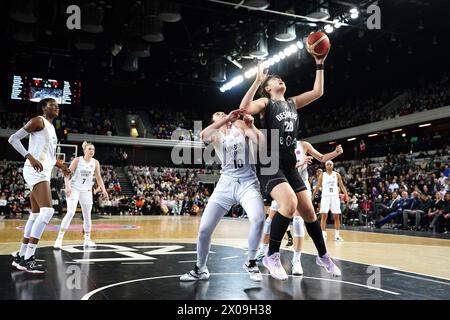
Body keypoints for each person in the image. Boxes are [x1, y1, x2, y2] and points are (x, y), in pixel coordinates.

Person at [239, 50, 342, 280]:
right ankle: (271, 256)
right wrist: (256, 81)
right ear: (268, 88)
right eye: (275, 80)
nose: (280, 80)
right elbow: (244, 109)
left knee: (309, 212)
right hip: (269, 161)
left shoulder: (292, 103)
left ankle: (323, 255)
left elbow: (318, 92)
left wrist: (319, 63)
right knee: (289, 203)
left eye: (280, 79)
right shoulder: (266, 102)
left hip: (288, 163)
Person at [180, 109, 266, 282]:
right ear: (216, 121)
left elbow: (262, 143)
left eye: (223, 113)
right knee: (204, 229)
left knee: (258, 219)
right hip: (226, 184)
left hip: (248, 182)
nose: (221, 115)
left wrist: (253, 126)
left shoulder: (240, 125)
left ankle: (251, 262)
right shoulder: (216, 135)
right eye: (217, 115)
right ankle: (200, 269)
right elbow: (203, 136)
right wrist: (225, 118)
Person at [256, 142, 343, 275]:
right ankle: (263, 252)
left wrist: (335, 153)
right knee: (269, 220)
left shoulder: (303, 145)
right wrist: (301, 162)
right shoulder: (277, 144)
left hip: (301, 184)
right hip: (282, 183)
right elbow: (280, 166)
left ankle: (297, 260)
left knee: (298, 221)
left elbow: (322, 158)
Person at [8, 98, 70, 274]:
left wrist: (60, 166)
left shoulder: (51, 128)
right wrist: (30, 156)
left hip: (43, 171)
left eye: (58, 106)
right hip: (35, 170)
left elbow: (48, 156)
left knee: (35, 214)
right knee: (48, 211)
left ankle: (21, 256)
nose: (57, 107)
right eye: (52, 105)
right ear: (43, 108)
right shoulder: (38, 120)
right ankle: (29, 259)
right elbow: (13, 139)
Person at [54, 141, 109, 249]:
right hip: (74, 188)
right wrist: (67, 186)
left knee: (87, 216)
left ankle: (87, 240)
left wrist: (104, 190)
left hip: (87, 191)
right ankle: (59, 239)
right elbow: (67, 173)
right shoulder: (78, 160)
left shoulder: (95, 162)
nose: (92, 151)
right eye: (89, 149)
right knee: (70, 212)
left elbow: (98, 178)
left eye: (93, 149)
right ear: (84, 150)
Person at [312, 160, 349, 241]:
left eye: (330, 164)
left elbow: (342, 186)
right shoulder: (322, 175)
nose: (329, 166)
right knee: (323, 216)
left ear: (332, 166)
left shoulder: (337, 175)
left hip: (334, 197)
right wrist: (313, 195)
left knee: (336, 216)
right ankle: (323, 234)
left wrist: (346, 195)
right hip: (325, 197)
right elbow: (317, 186)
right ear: (325, 166)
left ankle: (337, 235)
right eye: (327, 164)